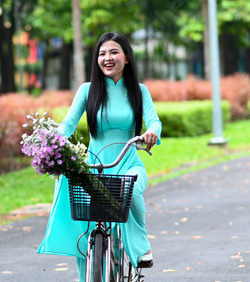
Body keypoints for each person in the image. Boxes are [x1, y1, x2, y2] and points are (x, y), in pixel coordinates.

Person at [37, 32, 162, 280]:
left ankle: (141, 247)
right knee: (85, 223)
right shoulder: (87, 91)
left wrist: (150, 133)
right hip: (95, 165)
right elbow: (68, 124)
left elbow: (155, 121)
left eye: (114, 52)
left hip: (127, 161)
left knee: (132, 191)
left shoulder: (139, 91)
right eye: (102, 53)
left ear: (126, 57)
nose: (107, 58)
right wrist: (52, 140)